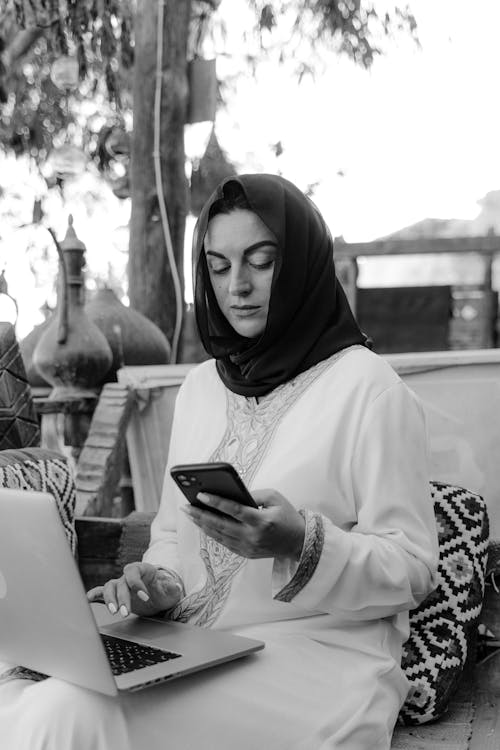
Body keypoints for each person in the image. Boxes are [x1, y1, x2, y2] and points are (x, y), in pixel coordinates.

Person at [0, 173, 439, 750]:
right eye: (220, 265)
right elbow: (170, 533)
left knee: (65, 713)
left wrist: (300, 544)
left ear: (302, 262)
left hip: (321, 665)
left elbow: (414, 569)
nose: (239, 286)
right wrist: (159, 585)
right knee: (15, 694)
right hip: (198, 645)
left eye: (261, 261)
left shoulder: (368, 387)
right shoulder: (202, 387)